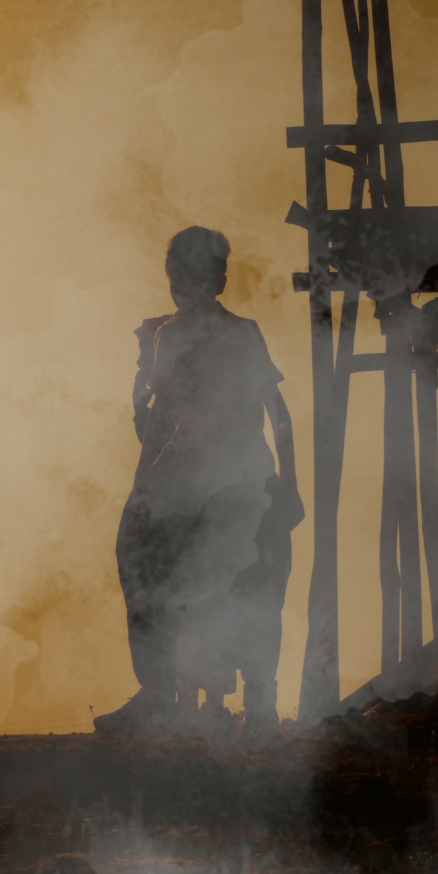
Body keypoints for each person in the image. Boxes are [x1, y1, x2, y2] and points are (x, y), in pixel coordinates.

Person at [95, 227, 302, 736]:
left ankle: (160, 693)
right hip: (248, 477)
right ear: (220, 277)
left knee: (140, 564)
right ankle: (260, 706)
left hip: (192, 481)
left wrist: (144, 483)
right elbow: (278, 413)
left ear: (182, 278)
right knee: (257, 591)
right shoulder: (245, 332)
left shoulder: (174, 334)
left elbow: (159, 424)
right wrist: (290, 481)